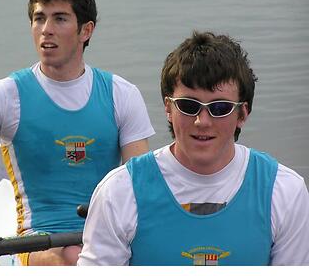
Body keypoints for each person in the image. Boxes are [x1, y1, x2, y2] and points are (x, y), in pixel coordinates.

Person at [0, 0, 155, 266]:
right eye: (39, 18)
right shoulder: (7, 94)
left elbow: (141, 184)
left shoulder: (121, 94)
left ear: (86, 30)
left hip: (104, 234)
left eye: (59, 19)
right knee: (70, 258)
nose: (46, 29)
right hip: (36, 243)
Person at [78, 31, 309, 266]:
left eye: (220, 108)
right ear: (168, 109)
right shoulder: (119, 191)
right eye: (189, 106)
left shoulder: (285, 191)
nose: (202, 121)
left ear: (242, 114)